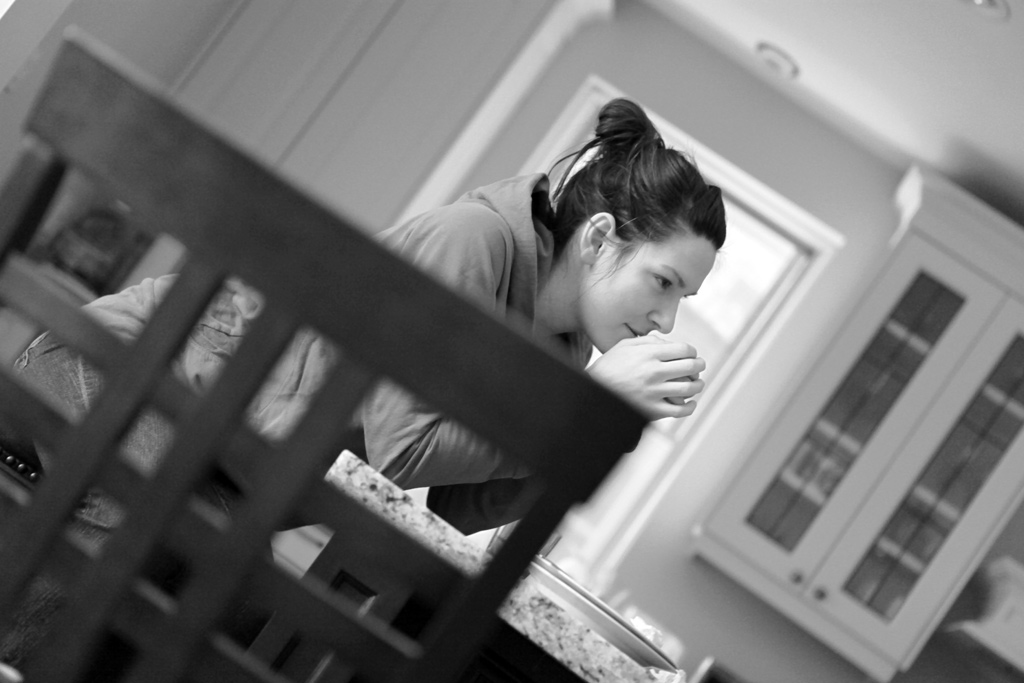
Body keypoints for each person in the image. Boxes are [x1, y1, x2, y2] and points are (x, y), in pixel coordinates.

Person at [0, 97, 725, 663]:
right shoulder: (474, 241)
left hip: (220, 461)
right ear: (599, 238)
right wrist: (565, 415)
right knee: (170, 541)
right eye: (663, 281)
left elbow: (461, 506)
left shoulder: (566, 349)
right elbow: (401, 447)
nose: (665, 319)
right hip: (116, 367)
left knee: (243, 613)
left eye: (682, 299)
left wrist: (587, 431)